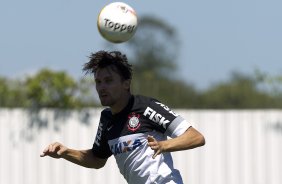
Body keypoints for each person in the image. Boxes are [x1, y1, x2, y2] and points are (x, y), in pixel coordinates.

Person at [40, 50, 205, 184]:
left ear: (126, 83)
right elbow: (97, 159)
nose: (101, 87)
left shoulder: (147, 107)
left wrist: (164, 145)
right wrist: (65, 152)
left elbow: (195, 137)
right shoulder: (107, 118)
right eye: (98, 82)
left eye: (108, 80)